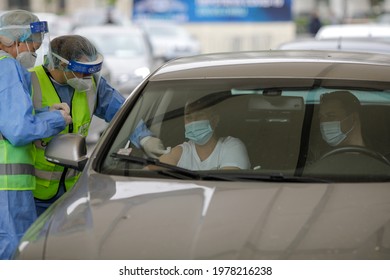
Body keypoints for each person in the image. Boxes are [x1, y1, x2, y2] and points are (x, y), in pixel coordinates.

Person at [0, 10, 72, 260]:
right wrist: (56, 119)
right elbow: (18, 130)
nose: (34, 51)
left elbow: (7, 115)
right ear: (13, 39)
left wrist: (41, 112)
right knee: (15, 251)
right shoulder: (6, 66)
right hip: (7, 184)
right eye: (32, 44)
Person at [30, 34, 125, 216]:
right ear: (61, 65)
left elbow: (122, 111)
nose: (87, 77)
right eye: (82, 71)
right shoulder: (30, 82)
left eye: (91, 71)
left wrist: (145, 138)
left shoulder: (93, 84)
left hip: (74, 192)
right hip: (36, 194)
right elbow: (16, 125)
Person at [149, 97, 251, 170]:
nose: (193, 122)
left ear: (214, 120)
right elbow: (149, 171)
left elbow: (224, 184)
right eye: (188, 118)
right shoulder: (182, 151)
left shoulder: (231, 146)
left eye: (199, 116)